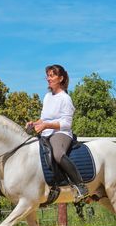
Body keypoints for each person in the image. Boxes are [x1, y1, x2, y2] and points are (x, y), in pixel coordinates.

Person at [26, 64, 88, 199]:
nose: (49, 78)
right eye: (48, 75)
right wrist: (34, 123)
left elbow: (66, 123)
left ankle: (80, 185)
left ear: (60, 78)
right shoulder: (47, 96)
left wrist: (46, 125)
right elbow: (43, 119)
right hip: (46, 131)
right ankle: (52, 185)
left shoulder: (65, 99)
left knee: (58, 154)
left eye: (52, 75)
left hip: (61, 133)